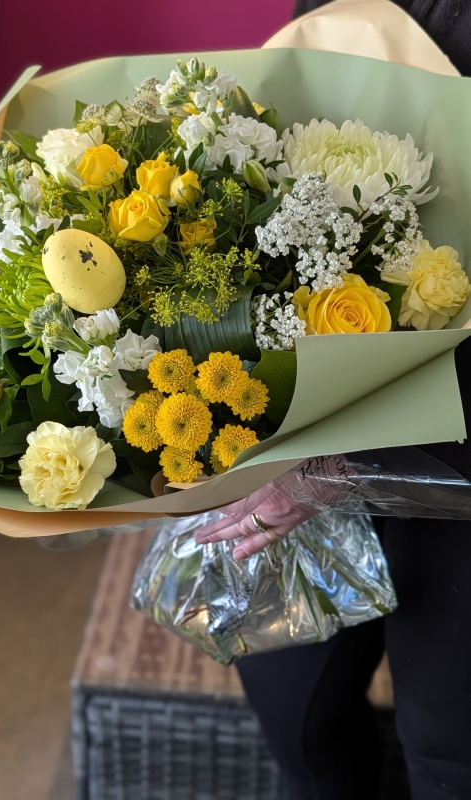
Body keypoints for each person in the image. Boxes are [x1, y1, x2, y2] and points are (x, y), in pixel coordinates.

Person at [196, 3, 471, 798]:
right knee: (299, 722)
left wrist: (359, 444)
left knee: (451, 749)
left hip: (450, 442)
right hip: (313, 418)